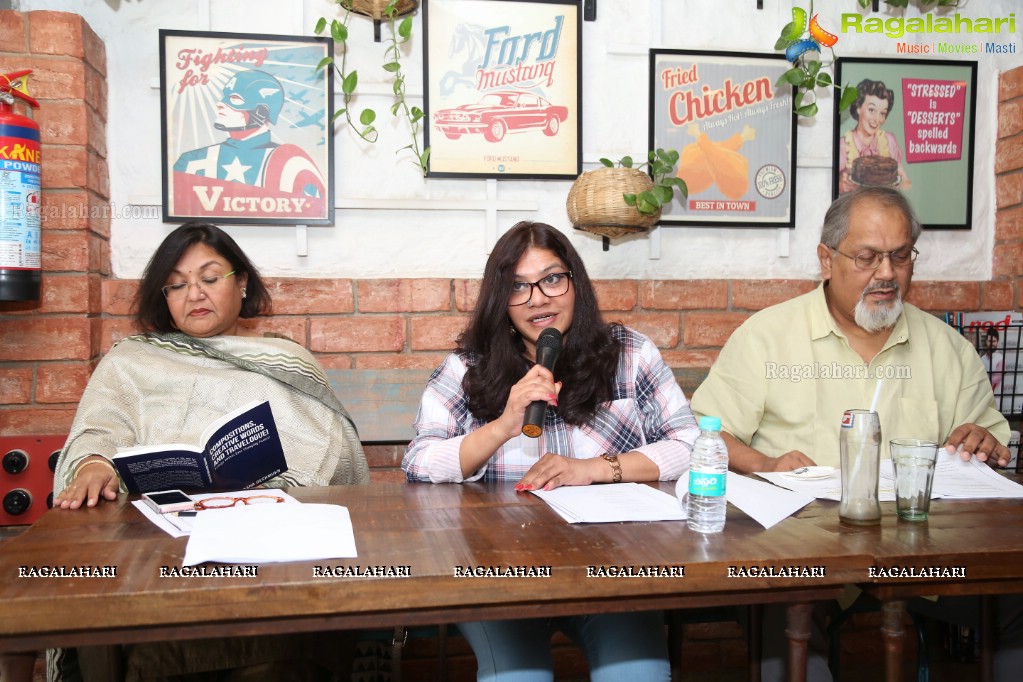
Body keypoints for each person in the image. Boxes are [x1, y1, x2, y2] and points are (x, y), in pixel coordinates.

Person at [690, 186, 1013, 680]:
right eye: (867, 257)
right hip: (798, 552)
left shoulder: (946, 349)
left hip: (917, 556)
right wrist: (767, 465)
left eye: (900, 256)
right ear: (826, 258)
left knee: (1013, 603)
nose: (886, 273)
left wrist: (982, 443)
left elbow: (988, 445)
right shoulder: (767, 336)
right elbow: (708, 431)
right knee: (785, 627)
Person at [46, 221, 369, 682]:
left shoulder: (283, 361)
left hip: (266, 547)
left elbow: (331, 446)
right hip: (155, 551)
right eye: (176, 285)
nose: (193, 293)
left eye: (209, 278)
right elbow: (99, 428)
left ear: (241, 284)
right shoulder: (131, 360)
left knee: (284, 630)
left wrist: (276, 487)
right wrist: (95, 464)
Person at [402, 220, 698, 681]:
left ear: (575, 282)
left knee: (638, 673)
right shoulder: (466, 369)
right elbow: (418, 463)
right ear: (499, 300)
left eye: (552, 279)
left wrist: (595, 469)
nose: (538, 298)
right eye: (518, 286)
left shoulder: (629, 354)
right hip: (498, 574)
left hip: (610, 567)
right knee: (520, 677)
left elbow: (690, 444)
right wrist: (503, 425)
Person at [173, 69, 326, 199]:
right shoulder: (190, 162)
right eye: (225, 96)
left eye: (235, 99)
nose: (220, 104)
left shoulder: (293, 164)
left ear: (261, 111)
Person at [838, 79, 913, 194]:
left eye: (882, 113)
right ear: (858, 107)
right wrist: (841, 185)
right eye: (871, 110)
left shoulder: (889, 140)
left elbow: (906, 182)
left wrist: (898, 185)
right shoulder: (843, 146)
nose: (877, 119)